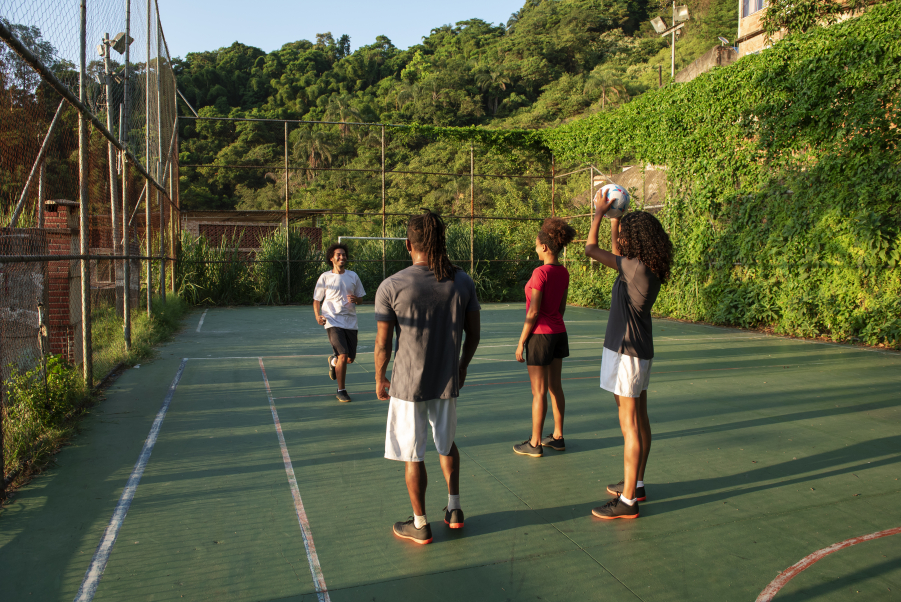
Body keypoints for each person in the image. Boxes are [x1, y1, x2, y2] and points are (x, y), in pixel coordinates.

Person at [374, 210, 481, 545]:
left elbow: (383, 343)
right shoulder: (462, 280)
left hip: (408, 386)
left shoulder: (392, 285)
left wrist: (380, 376)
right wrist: (461, 366)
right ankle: (454, 509)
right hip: (446, 381)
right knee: (446, 444)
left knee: (413, 452)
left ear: (408, 244)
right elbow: (474, 334)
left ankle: (420, 524)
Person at [584, 189, 673, 520]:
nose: (619, 237)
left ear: (634, 240)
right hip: (639, 350)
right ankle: (636, 484)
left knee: (629, 425)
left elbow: (591, 249)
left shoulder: (634, 268)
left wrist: (598, 213)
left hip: (626, 352)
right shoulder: (644, 265)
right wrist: (615, 219)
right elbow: (616, 250)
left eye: (624, 233)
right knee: (640, 419)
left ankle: (627, 501)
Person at [513, 218, 577, 458]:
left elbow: (533, 311)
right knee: (555, 387)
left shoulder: (540, 273)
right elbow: (561, 308)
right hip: (559, 333)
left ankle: (535, 443)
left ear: (545, 247)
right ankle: (558, 437)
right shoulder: (563, 272)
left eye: (536, 244)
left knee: (538, 392)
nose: (535, 248)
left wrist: (521, 342)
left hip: (540, 336)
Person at [313, 243, 366, 403]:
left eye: (344, 254)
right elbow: (317, 300)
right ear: (332, 258)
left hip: (350, 322)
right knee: (343, 355)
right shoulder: (325, 277)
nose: (342, 257)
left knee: (348, 359)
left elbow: (361, 299)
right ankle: (341, 391)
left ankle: (333, 361)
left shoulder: (353, 276)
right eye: (338, 255)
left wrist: (357, 300)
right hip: (332, 321)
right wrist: (318, 316)